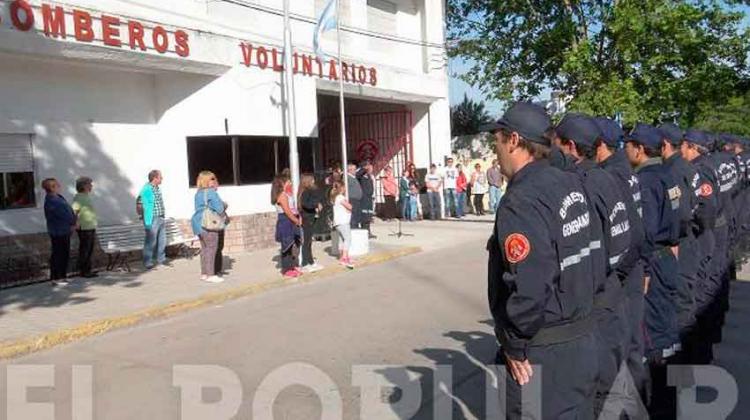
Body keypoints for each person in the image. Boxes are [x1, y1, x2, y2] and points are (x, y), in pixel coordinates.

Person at [485, 102, 598, 419]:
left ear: (514, 140)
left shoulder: (521, 200)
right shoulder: (571, 183)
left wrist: (515, 343)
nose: (497, 151)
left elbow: (531, 285)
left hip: (543, 355)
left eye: (497, 141)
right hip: (583, 339)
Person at [553, 114, 637, 417]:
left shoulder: (580, 185)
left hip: (595, 309)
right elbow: (629, 240)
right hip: (613, 299)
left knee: (594, 399)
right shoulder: (610, 178)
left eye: (555, 143)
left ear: (571, 146)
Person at [624, 124, 683, 417]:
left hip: (654, 263)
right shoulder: (668, 174)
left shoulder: (646, 181)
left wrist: (644, 269)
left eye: (629, 144)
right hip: (668, 255)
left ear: (638, 148)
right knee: (667, 333)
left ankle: (657, 407)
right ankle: (668, 404)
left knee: (653, 340)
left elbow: (645, 230)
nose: (626, 150)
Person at [593, 117, 649, 400]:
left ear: (600, 145)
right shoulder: (624, 170)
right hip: (632, 268)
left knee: (621, 351)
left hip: (623, 273)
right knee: (631, 347)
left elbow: (630, 232)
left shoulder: (611, 175)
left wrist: (615, 273)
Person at [679, 129, 719, 365]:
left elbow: (706, 211)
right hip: (706, 235)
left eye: (683, 145)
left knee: (698, 296)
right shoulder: (704, 166)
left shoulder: (700, 170)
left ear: (692, 147)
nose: (680, 150)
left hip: (702, 237)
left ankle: (699, 358)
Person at [191, 171, 227, 283]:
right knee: (212, 248)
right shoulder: (211, 193)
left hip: (198, 223)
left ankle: (204, 273)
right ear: (206, 180)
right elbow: (220, 208)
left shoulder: (198, 193)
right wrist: (225, 205)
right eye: (212, 178)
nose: (214, 180)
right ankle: (211, 274)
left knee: (205, 249)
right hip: (209, 223)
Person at [43, 178, 77, 286]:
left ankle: (62, 276)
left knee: (64, 253)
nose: (59, 185)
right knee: (59, 254)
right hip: (58, 231)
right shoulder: (52, 200)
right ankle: (57, 278)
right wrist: (73, 223)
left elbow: (67, 211)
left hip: (63, 229)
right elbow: (63, 215)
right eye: (57, 184)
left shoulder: (57, 197)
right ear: (52, 187)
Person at [272, 175, 303, 278]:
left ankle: (292, 266)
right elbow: (287, 211)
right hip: (286, 222)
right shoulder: (282, 195)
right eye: (288, 182)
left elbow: (293, 208)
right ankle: (286, 269)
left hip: (291, 220)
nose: (290, 183)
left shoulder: (287, 194)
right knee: (287, 247)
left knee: (294, 244)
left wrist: (298, 216)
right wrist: (296, 220)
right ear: (282, 183)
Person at [139, 169, 167, 269]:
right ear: (155, 178)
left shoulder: (157, 188)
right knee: (150, 241)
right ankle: (148, 262)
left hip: (160, 217)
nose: (162, 178)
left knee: (162, 240)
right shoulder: (146, 189)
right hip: (152, 218)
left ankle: (161, 261)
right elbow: (139, 203)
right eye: (160, 177)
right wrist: (142, 217)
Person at [72, 177, 98, 278]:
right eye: (89, 184)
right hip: (84, 227)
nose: (91, 186)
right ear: (83, 186)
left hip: (90, 226)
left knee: (89, 249)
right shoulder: (79, 197)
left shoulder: (86, 196)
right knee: (85, 249)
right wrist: (76, 223)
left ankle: (88, 269)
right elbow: (75, 211)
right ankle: (84, 271)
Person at [299, 173, 324, 273]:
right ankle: (305, 263)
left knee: (309, 241)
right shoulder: (305, 191)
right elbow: (306, 204)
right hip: (307, 218)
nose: (314, 181)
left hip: (310, 217)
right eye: (312, 180)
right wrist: (316, 205)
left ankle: (311, 261)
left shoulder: (309, 190)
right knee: (307, 241)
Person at [330, 181, 355, 269]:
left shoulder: (335, 198)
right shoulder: (340, 197)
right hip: (343, 222)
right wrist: (350, 207)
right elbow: (350, 206)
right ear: (341, 188)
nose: (345, 189)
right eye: (344, 187)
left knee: (341, 239)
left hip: (337, 222)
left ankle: (342, 256)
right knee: (348, 239)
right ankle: (344, 257)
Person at [358, 161, 376, 238]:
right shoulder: (361, 176)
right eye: (369, 167)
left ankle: (368, 231)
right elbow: (358, 174)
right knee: (364, 216)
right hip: (364, 199)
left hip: (369, 198)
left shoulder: (369, 177)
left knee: (369, 216)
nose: (371, 169)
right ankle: (364, 232)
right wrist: (364, 169)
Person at [346, 163, 363, 229]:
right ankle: (353, 228)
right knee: (353, 215)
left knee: (357, 215)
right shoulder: (348, 178)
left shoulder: (353, 177)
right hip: (352, 199)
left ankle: (355, 226)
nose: (355, 171)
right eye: (354, 169)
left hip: (357, 200)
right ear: (349, 170)